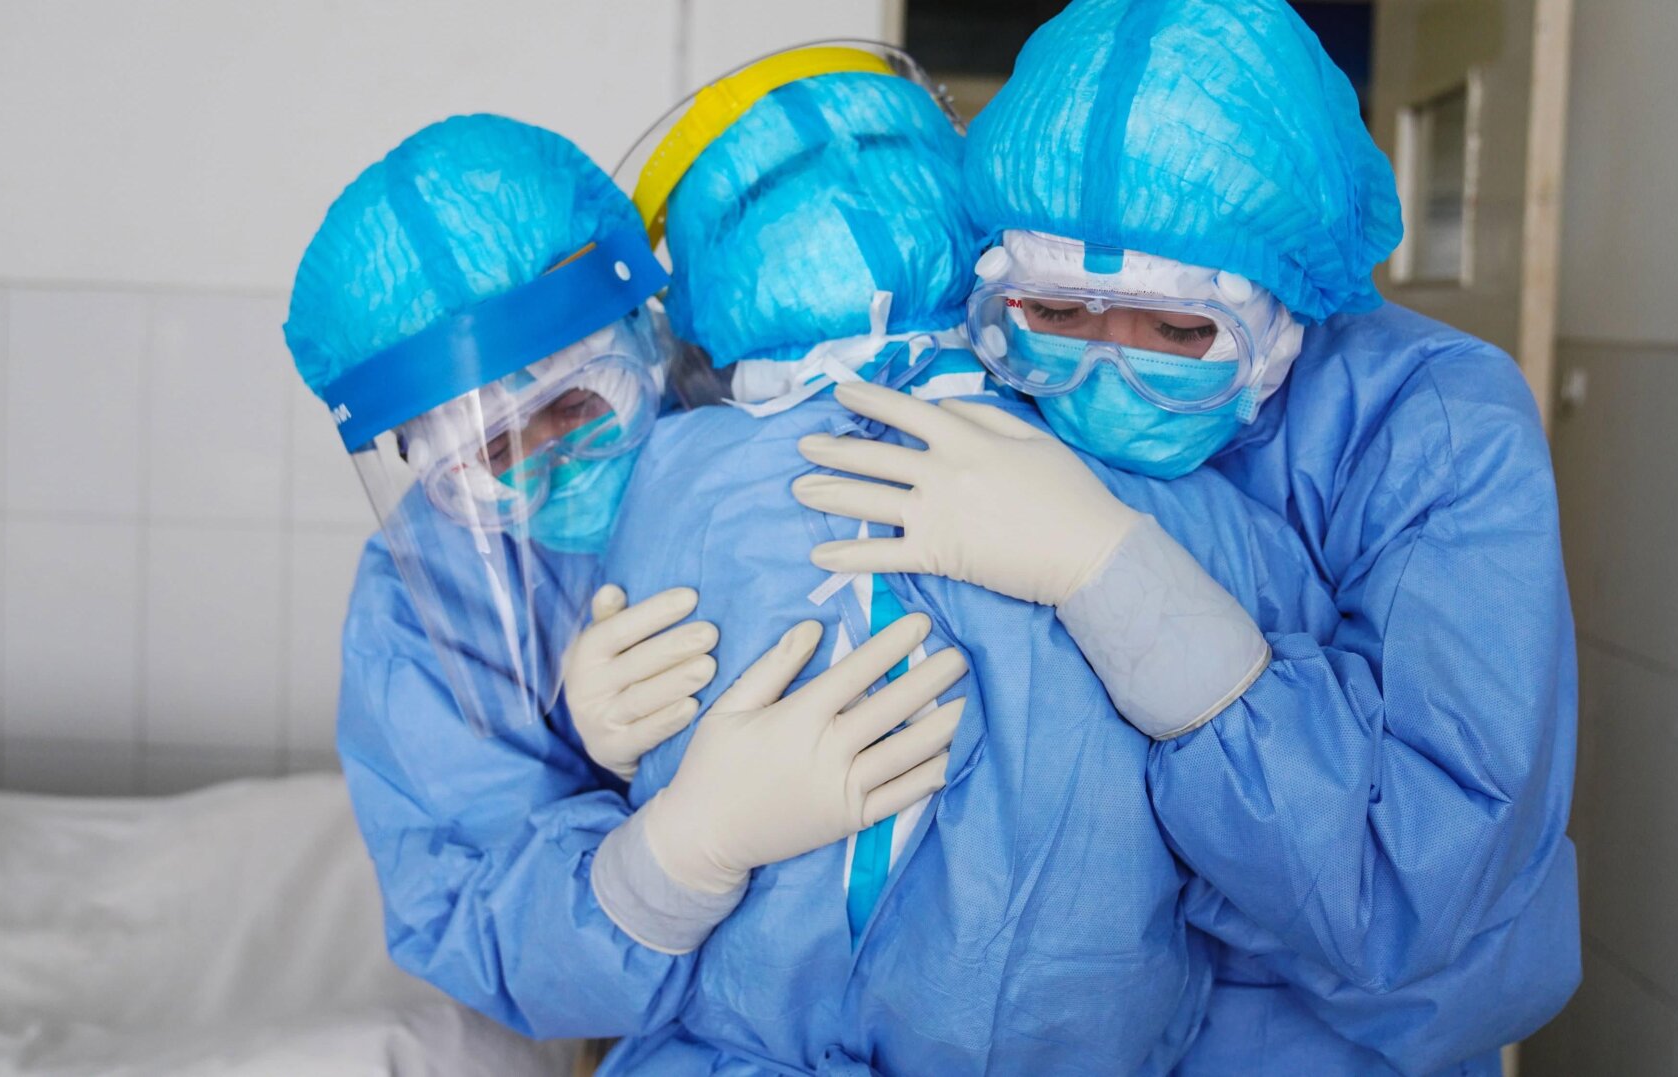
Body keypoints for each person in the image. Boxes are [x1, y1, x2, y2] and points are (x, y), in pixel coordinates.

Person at [791, 2, 1582, 1073]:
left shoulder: (1434, 424)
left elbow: (1410, 887)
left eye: (1176, 334)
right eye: (1060, 314)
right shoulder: (987, 375)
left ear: (1284, 306)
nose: (1103, 374)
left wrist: (1113, 579)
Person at [580, 44, 1341, 1075]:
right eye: (1069, 316)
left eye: (1172, 330)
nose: (1112, 351)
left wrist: (600, 741)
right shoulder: (1163, 489)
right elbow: (1313, 835)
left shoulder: (665, 480)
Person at [286, 112, 960, 1063]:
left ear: (647, 334)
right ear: (420, 462)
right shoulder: (421, 609)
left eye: (575, 403)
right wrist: (678, 850)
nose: (553, 464)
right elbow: (472, 914)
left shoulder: (781, 421)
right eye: (493, 452)